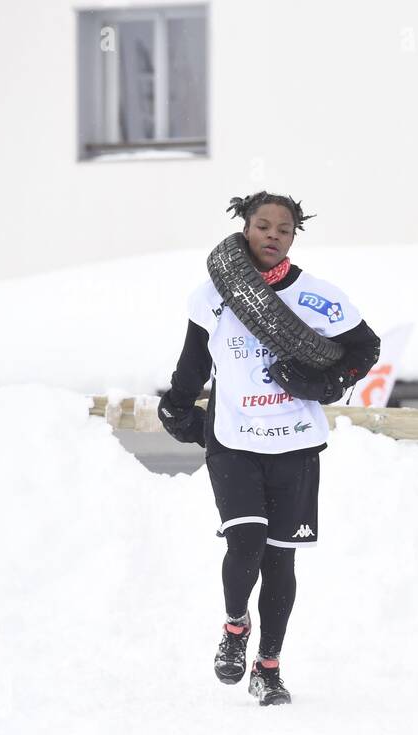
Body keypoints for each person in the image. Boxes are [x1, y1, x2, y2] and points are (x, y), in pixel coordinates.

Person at [159, 192, 380, 705]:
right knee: (246, 543)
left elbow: (364, 349)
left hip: (296, 443)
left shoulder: (320, 297)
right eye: (263, 225)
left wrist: (327, 384)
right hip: (235, 440)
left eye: (284, 228)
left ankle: (269, 667)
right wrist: (178, 406)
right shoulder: (210, 296)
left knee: (281, 562)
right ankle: (236, 627)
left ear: (295, 235)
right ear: (246, 227)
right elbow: (193, 365)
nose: (273, 235)